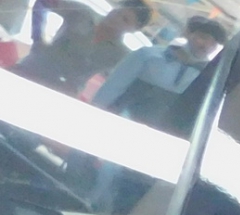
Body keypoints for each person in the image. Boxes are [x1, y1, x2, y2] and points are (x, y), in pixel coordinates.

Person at [93, 14, 226, 129]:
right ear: (188, 33)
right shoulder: (149, 56)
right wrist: (94, 114)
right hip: (116, 123)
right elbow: (113, 87)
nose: (206, 45)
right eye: (202, 37)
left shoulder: (206, 78)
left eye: (213, 43)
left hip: (156, 138)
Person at [15, 0, 150, 96]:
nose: (116, 18)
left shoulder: (120, 55)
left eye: (125, 19)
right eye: (118, 11)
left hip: (61, 94)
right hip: (30, 71)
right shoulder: (82, 13)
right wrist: (37, 37)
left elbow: (125, 85)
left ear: (134, 29)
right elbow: (44, 2)